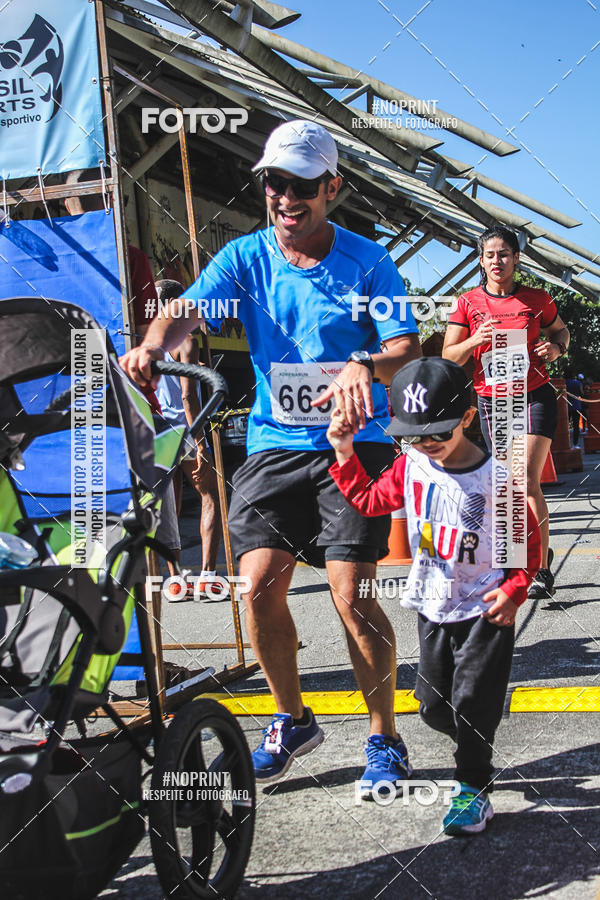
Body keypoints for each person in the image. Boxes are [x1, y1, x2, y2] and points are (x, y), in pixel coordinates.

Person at [119, 119, 421, 791]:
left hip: (354, 444)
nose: (285, 198)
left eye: (301, 185)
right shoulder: (244, 258)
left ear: (332, 188)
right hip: (274, 444)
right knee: (255, 586)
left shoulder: (369, 261)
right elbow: (186, 311)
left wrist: (364, 365)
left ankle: (384, 737)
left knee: (353, 596)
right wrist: (153, 346)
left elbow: (406, 349)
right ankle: (292, 719)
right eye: (274, 183)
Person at [327, 357, 541, 834]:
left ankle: (472, 788)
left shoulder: (497, 479)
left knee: (471, 701)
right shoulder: (412, 466)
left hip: (487, 607)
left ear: (467, 417)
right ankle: (473, 736)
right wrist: (343, 451)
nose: (426, 443)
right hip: (433, 604)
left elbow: (527, 545)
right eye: (413, 435)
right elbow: (370, 501)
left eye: (438, 433)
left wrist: (513, 591)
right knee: (433, 706)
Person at [442, 224, 569, 599]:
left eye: (504, 254)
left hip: (533, 395)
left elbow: (561, 332)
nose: (497, 260)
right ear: (481, 261)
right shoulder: (467, 303)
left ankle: (541, 569)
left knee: (525, 480)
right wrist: (474, 339)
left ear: (516, 258)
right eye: (490, 255)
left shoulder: (537, 299)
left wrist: (556, 349)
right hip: (493, 401)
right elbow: (449, 355)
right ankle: (518, 561)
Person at [154, 279, 223, 600]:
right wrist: (200, 440)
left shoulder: (147, 341)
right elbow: (187, 396)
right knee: (211, 497)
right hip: (185, 429)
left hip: (160, 432)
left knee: (171, 506)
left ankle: (175, 578)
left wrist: (195, 367)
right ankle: (208, 575)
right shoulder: (187, 340)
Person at [565, 371, 584, 447]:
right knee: (576, 425)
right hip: (576, 405)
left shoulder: (564, 383)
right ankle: (575, 443)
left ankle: (566, 442)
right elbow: (581, 393)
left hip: (566, 405)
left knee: (565, 425)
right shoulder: (577, 383)